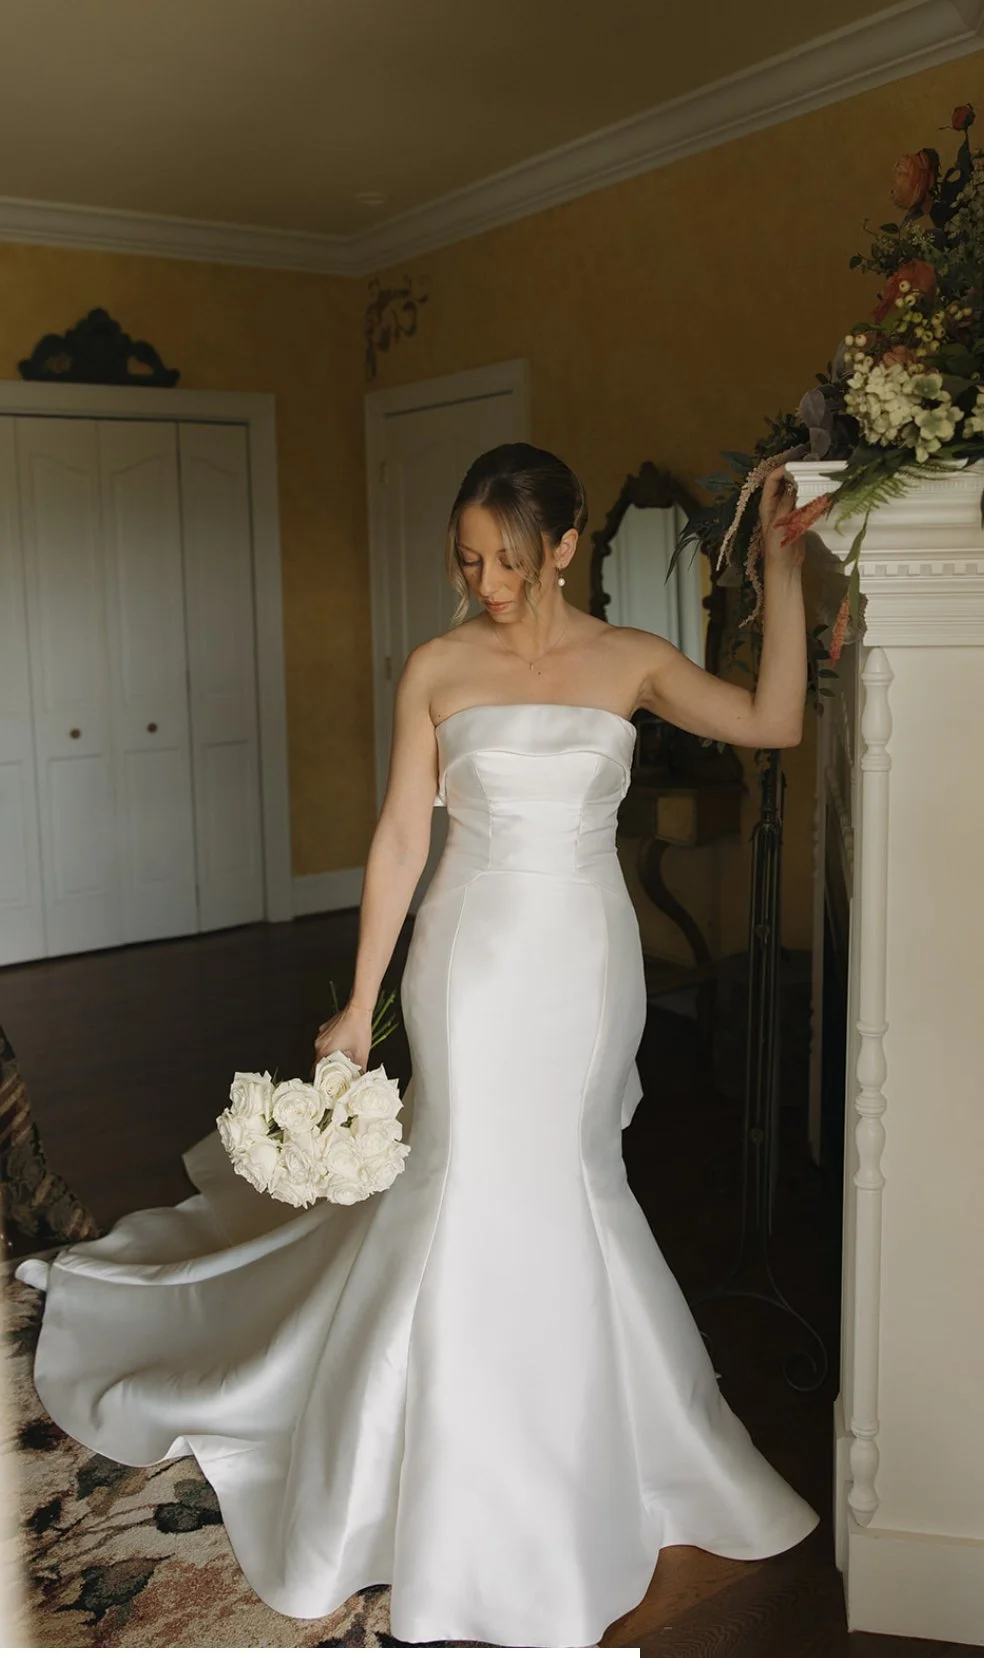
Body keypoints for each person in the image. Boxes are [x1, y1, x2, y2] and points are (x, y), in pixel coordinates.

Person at [17, 443, 818, 1647]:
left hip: (588, 970)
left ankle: (596, 1439)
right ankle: (448, 1457)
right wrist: (359, 1000)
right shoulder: (439, 666)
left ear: (564, 542)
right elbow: (401, 838)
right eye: (466, 557)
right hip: (468, 959)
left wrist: (784, 571)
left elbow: (775, 719)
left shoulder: (633, 660)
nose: (485, 579)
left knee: (575, 1175)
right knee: (465, 1176)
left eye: (506, 556)